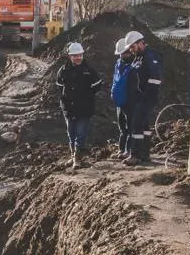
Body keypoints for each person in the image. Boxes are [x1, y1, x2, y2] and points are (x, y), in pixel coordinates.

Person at [55, 41, 104, 169]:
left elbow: (98, 85)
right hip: (69, 108)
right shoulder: (63, 71)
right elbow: (59, 87)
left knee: (81, 133)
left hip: (84, 108)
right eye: (75, 56)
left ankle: (78, 158)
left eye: (80, 55)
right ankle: (73, 156)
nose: (78, 58)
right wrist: (66, 101)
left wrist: (86, 96)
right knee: (71, 133)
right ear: (70, 56)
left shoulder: (89, 71)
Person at [122, 30, 163, 166]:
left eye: (133, 47)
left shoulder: (149, 57)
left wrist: (146, 96)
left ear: (140, 44)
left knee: (136, 125)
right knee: (143, 126)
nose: (132, 50)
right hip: (138, 98)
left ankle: (135, 155)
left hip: (145, 98)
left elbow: (155, 78)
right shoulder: (138, 57)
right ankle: (145, 154)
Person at [110, 37, 135, 158]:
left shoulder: (135, 65)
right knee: (122, 126)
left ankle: (128, 150)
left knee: (130, 127)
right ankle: (121, 149)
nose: (123, 55)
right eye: (121, 54)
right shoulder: (118, 64)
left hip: (130, 101)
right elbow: (116, 81)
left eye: (125, 53)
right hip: (120, 100)